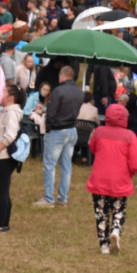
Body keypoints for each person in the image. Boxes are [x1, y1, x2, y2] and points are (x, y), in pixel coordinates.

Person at [86, 103, 137, 255]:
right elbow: (135, 162)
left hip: (100, 179)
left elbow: (92, 147)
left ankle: (104, 246)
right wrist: (128, 175)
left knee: (101, 212)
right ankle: (116, 229)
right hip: (120, 179)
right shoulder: (130, 136)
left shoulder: (99, 132)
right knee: (119, 208)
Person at [34, 66, 84, 207]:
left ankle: (49, 198)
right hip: (72, 129)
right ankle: (63, 198)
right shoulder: (79, 91)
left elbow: (52, 111)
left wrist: (48, 127)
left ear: (62, 75)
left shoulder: (58, 90)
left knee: (50, 164)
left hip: (58, 130)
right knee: (66, 165)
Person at [0, 84, 25, 233]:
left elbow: (10, 135)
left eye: (3, 92)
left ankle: (1, 224)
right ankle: (3, 223)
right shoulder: (3, 111)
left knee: (2, 191)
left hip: (3, 157)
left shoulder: (11, 113)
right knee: (2, 190)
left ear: (11, 97)